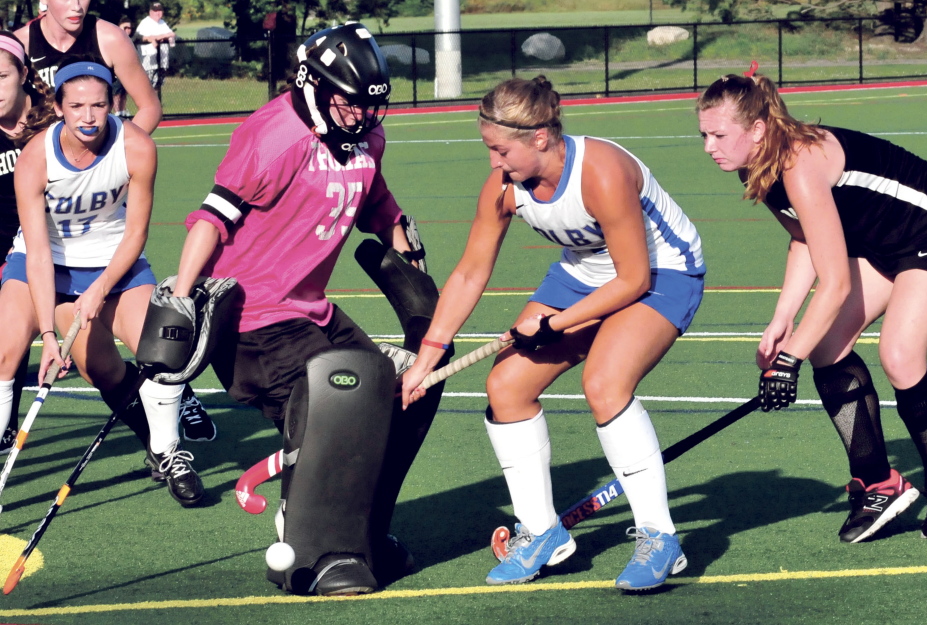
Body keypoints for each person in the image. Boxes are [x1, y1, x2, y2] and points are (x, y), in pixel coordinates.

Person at [400, 76, 707, 591]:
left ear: (540, 136)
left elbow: (634, 279)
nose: (495, 163)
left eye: (501, 150)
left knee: (605, 384)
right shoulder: (504, 188)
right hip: (586, 271)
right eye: (489, 149)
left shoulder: (601, 172)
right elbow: (470, 273)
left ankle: (660, 537)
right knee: (505, 387)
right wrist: (427, 358)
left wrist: (552, 325)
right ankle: (543, 534)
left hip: (662, 272)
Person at [170, 23, 443, 596]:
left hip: (311, 309)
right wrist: (179, 299)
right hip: (254, 318)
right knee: (341, 409)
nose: (361, 117)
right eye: (348, 103)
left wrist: (406, 252)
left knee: (414, 391)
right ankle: (315, 551)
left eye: (370, 107)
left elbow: (378, 203)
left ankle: (362, 533)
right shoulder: (275, 137)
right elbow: (212, 218)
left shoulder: (366, 137)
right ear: (312, 85)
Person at [695, 71, 927, 542]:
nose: (709, 146)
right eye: (704, 135)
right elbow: (804, 240)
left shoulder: (800, 165)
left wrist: (789, 361)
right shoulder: (757, 164)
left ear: (758, 129)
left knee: (900, 355)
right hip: (879, 243)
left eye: (719, 135)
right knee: (827, 349)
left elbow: (836, 284)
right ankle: (878, 483)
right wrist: (782, 320)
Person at [15, 0, 216, 442]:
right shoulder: (20, 44)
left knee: (152, 340)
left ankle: (177, 405)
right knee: (17, 327)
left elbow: (148, 108)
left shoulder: (108, 37)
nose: (78, 3)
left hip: (98, 216)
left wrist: (110, 163)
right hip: (40, 197)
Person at [15, 0, 162, 135]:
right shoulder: (19, 46)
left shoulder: (111, 39)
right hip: (39, 158)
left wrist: (117, 150)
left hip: (96, 153)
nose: (76, 7)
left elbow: (150, 107)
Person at [0, 31, 45, 454]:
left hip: (55, 247)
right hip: (7, 250)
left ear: (23, 74)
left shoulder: (54, 123)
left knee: (94, 360)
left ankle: (166, 423)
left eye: (1, 76)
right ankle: (5, 427)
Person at [135, 2, 173, 92]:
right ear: (150, 12)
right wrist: (163, 36)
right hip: (149, 61)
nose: (158, 13)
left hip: (162, 60)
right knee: (148, 85)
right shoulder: (145, 23)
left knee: (158, 84)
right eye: (155, 11)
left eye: (160, 10)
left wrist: (161, 37)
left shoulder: (162, 22)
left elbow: (172, 34)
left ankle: (157, 104)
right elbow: (142, 38)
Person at [111, 16, 133, 118]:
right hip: (116, 70)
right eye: (125, 28)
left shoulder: (131, 40)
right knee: (117, 91)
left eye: (129, 28)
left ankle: (123, 110)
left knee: (124, 92)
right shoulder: (115, 39)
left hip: (127, 70)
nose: (128, 30)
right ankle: (117, 111)